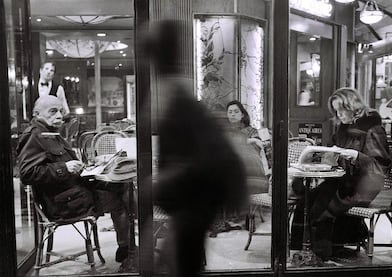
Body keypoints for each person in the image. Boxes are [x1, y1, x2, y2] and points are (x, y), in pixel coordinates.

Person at [142, 20, 247, 277]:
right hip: (194, 200)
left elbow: (197, 159)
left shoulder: (176, 97)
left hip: (195, 200)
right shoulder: (176, 93)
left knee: (180, 263)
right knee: (179, 261)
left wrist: (160, 183)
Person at [17, 95, 130, 264]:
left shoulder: (51, 133)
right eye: (53, 111)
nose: (60, 116)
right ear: (36, 113)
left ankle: (127, 247)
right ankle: (127, 250)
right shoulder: (35, 135)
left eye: (61, 111)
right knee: (120, 199)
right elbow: (26, 173)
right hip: (63, 203)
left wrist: (89, 166)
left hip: (73, 192)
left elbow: (62, 164)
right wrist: (65, 168)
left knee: (121, 184)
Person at [291, 88, 391, 261]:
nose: (340, 114)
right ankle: (303, 250)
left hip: (364, 185)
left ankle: (321, 253)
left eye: (342, 109)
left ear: (352, 106)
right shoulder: (342, 129)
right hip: (344, 181)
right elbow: (331, 150)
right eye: (336, 111)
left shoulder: (373, 129)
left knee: (321, 207)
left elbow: (380, 167)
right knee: (306, 201)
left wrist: (356, 156)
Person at [225, 100, 269, 194]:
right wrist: (249, 140)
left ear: (242, 115)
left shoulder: (252, 131)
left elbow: (257, 147)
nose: (233, 114)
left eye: (236, 112)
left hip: (250, 170)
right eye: (230, 112)